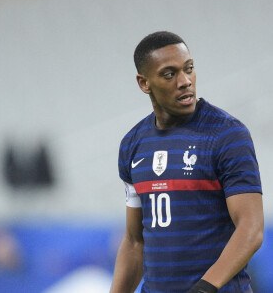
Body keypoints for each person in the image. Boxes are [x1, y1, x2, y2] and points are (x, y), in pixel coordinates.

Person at [110, 31, 264, 293]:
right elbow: (135, 242)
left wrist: (205, 287)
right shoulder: (133, 145)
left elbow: (251, 228)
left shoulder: (227, 134)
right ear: (144, 83)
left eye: (189, 69)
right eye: (169, 74)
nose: (185, 81)